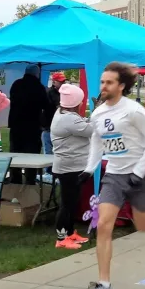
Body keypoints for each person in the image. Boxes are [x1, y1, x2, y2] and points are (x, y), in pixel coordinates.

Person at [79, 62, 145, 289]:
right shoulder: (98, 114)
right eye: (102, 82)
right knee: (103, 225)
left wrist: (140, 171)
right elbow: (97, 141)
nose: (103, 86)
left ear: (121, 86)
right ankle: (104, 286)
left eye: (109, 82)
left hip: (139, 175)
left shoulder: (134, 111)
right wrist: (89, 168)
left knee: (142, 226)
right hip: (114, 176)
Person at [50, 84, 93, 250]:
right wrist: (99, 113)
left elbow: (84, 124)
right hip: (69, 168)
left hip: (70, 166)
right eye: (81, 101)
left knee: (72, 203)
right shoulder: (69, 119)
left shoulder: (63, 114)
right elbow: (92, 130)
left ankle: (69, 233)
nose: (82, 103)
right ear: (76, 103)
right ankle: (61, 238)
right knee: (67, 205)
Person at [8, 64, 51, 184]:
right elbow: (46, 106)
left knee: (15, 153)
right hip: (32, 126)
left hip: (16, 125)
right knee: (32, 155)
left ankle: (15, 180)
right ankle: (30, 180)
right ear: (37, 74)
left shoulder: (16, 84)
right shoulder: (39, 87)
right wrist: (46, 122)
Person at [42, 72, 66, 158]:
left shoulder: (61, 92)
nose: (63, 83)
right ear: (54, 82)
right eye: (61, 81)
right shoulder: (51, 92)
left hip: (57, 127)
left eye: (63, 81)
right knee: (49, 153)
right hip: (49, 126)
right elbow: (60, 108)